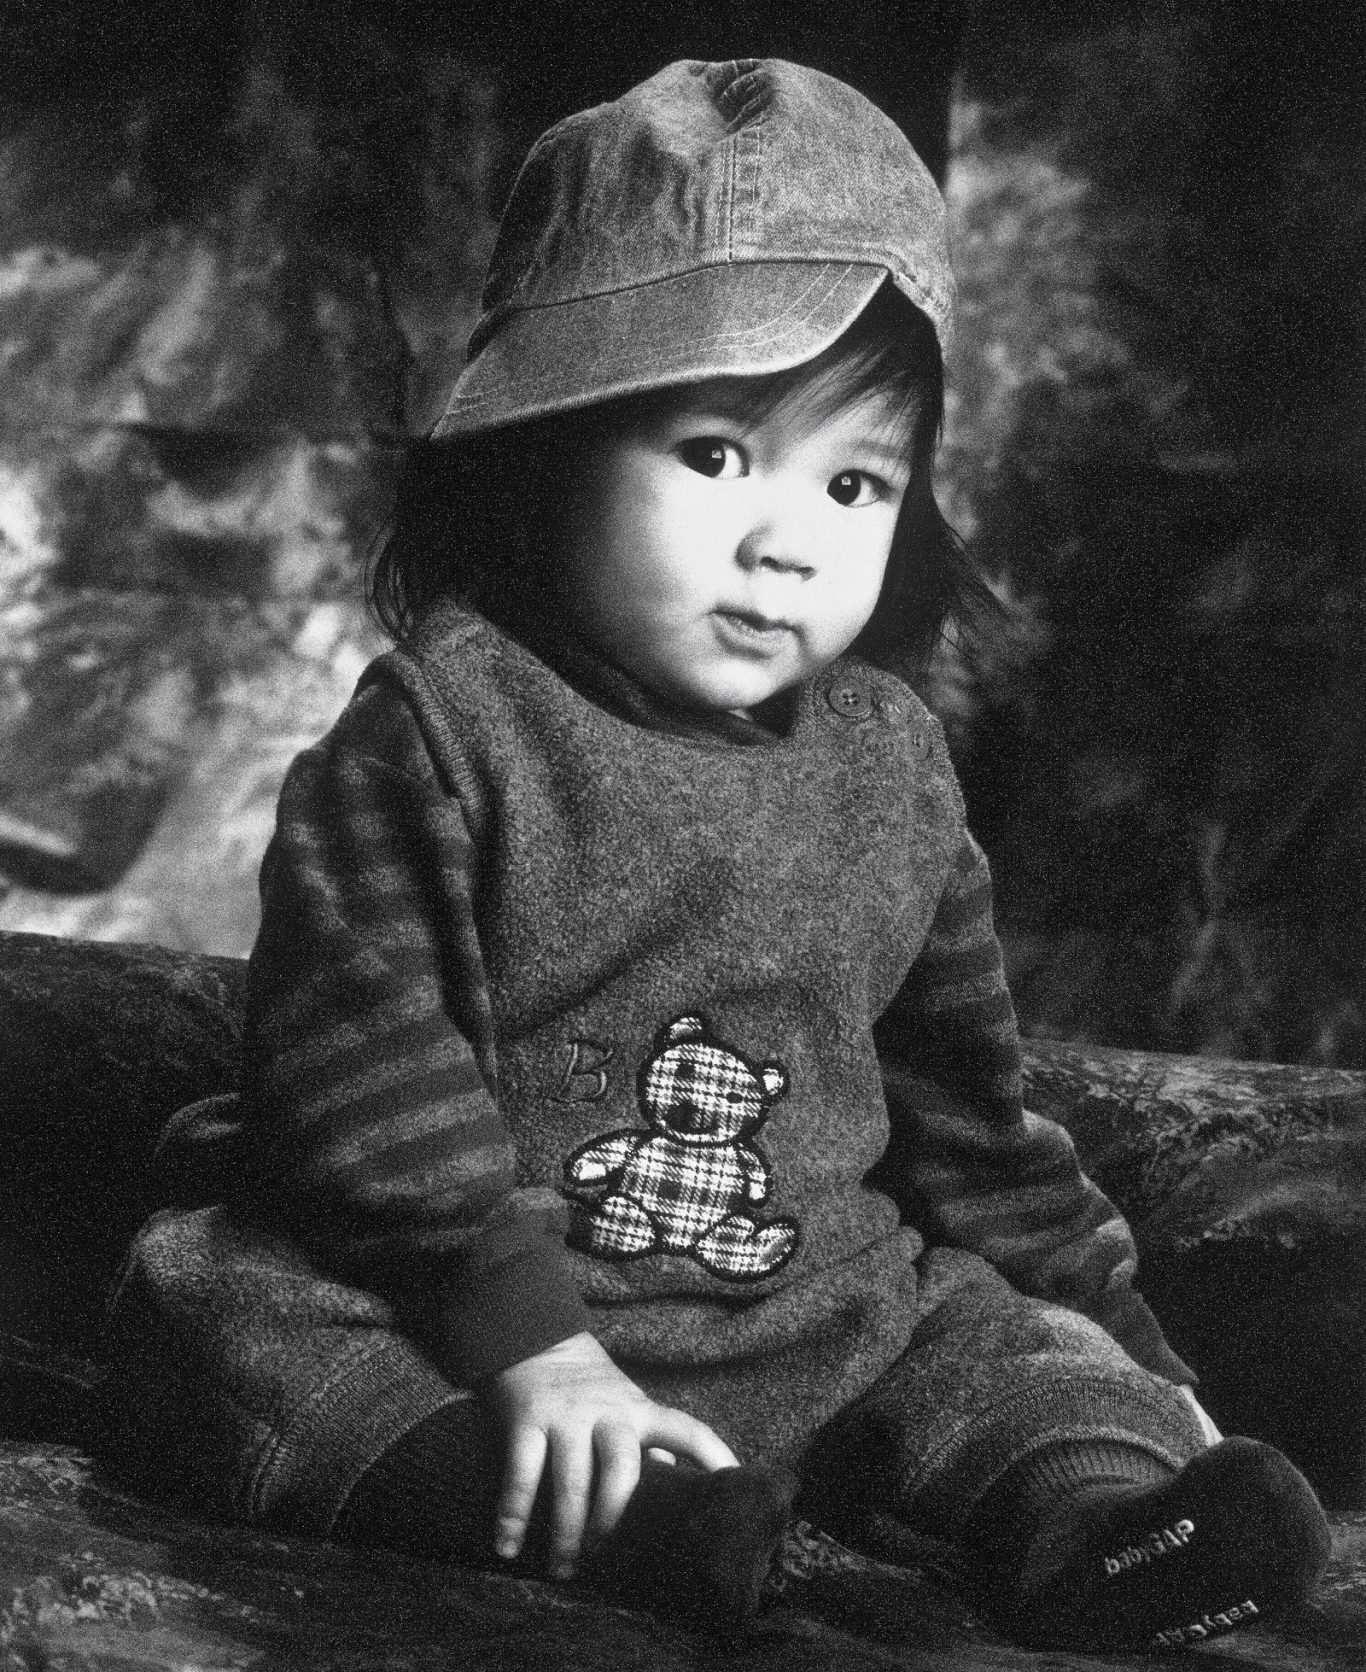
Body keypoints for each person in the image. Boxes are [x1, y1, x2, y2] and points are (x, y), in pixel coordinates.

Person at [97, 58, 1332, 1652]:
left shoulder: (890, 771)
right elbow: (361, 1080)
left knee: (1004, 1346)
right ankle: (568, 1509)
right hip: (466, 1309)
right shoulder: (443, 728)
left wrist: (1133, 1353)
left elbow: (973, 1122)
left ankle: (1095, 1529)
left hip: (806, 1315)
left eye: (852, 480)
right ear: (543, 445)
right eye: (712, 454)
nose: (785, 539)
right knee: (221, 1314)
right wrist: (534, 1348)